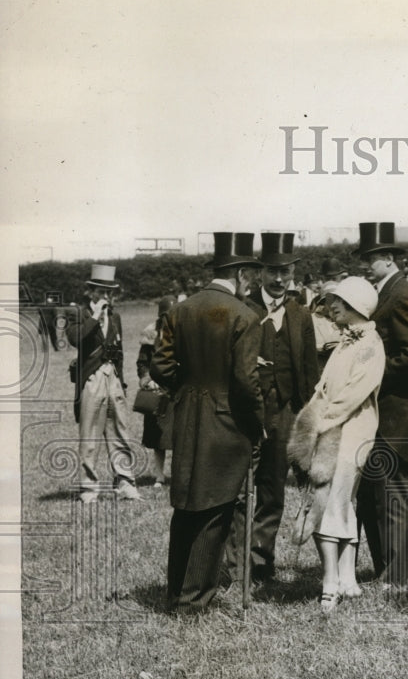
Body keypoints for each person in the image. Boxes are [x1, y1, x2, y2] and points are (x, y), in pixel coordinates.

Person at [150, 232, 265, 614]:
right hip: (227, 422)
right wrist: (257, 424)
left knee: (187, 506)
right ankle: (192, 601)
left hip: (187, 418)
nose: (253, 281)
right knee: (215, 509)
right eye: (252, 273)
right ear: (241, 272)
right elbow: (246, 383)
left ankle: (176, 593)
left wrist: (188, 390)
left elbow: (161, 366)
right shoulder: (245, 316)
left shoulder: (181, 309)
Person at [226, 231, 319, 584]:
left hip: (284, 415)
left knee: (272, 490)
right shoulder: (242, 307)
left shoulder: (300, 314)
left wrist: (309, 419)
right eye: (272, 272)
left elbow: (310, 372)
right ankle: (235, 567)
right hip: (245, 414)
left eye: (287, 272)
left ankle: (261, 564)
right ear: (259, 273)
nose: (280, 279)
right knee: (237, 492)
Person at [287, 277, 385, 611]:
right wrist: (312, 417)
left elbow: (354, 395)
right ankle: (346, 578)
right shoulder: (345, 342)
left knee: (330, 501)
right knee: (340, 502)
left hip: (352, 431)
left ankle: (330, 582)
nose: (332, 307)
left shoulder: (370, 344)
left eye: (339, 302)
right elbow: (323, 387)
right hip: (331, 428)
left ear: (357, 305)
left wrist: (322, 423)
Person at [354, 222, 408, 589]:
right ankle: (386, 567)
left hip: (398, 413)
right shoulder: (386, 292)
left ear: (388, 259)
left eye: (371, 259)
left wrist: (370, 371)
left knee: (393, 494)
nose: (367, 266)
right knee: (374, 494)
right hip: (384, 411)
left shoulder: (401, 295)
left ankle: (399, 575)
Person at [67, 264, 142, 504]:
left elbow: (118, 350)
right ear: (90, 292)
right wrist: (95, 317)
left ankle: (125, 484)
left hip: (113, 378)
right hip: (92, 378)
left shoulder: (116, 317)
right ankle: (89, 489)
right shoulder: (77, 313)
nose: (106, 297)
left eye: (110, 292)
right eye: (101, 291)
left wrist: (120, 381)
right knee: (90, 435)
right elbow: (76, 339)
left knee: (120, 432)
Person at [136, 295, 177, 487]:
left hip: (177, 390)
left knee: (179, 435)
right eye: (165, 316)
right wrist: (146, 379)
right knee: (157, 436)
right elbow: (142, 362)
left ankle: (179, 474)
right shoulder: (150, 334)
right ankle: (159, 475)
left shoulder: (185, 332)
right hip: (156, 391)